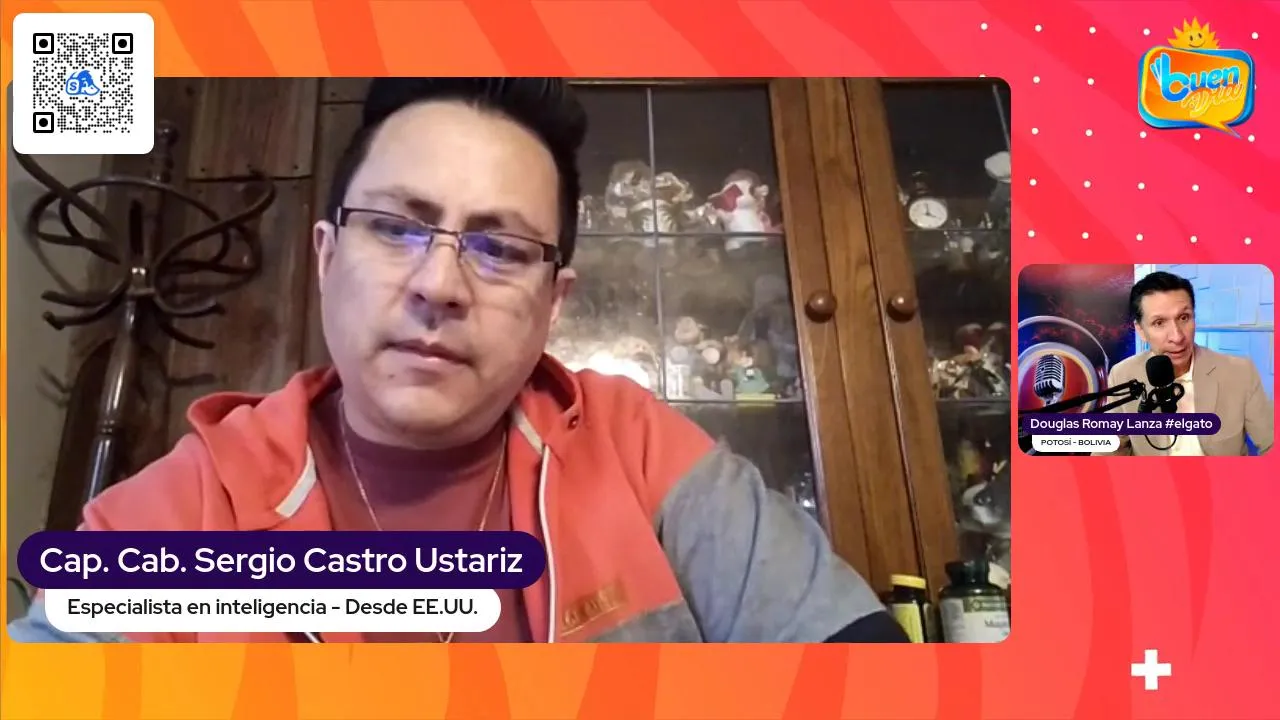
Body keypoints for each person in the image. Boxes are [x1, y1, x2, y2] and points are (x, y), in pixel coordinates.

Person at [10, 78, 905, 643]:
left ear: (554, 302)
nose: (438, 284)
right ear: (326, 256)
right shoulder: (189, 504)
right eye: (396, 228)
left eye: (501, 248)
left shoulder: (639, 453)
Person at [1101, 271, 1273, 456]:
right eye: (1159, 322)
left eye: (1184, 318)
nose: (1177, 337)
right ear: (1141, 330)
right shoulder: (1122, 375)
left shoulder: (1240, 372)